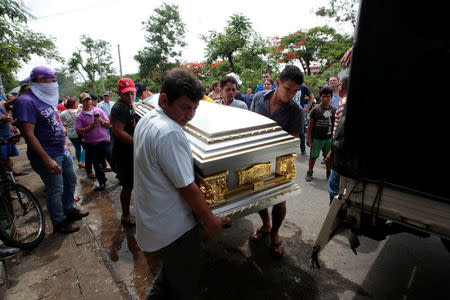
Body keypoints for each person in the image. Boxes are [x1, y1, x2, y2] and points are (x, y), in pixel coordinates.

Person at [134, 69, 229, 299]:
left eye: (195, 109)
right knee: (183, 286)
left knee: (168, 278)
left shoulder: (147, 118)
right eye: (185, 107)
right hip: (174, 230)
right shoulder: (170, 132)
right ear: (164, 99)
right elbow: (187, 187)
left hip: (154, 219)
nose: (190, 115)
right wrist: (210, 220)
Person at [15, 66, 88, 234]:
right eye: (53, 81)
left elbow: (54, 121)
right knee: (56, 189)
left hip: (60, 151)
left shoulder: (44, 98)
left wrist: (64, 144)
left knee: (70, 181)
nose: (55, 84)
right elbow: (29, 134)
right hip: (47, 154)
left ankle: (69, 210)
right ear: (40, 80)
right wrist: (46, 159)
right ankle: (60, 222)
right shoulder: (26, 101)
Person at [250, 65, 304, 257]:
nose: (291, 94)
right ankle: (265, 225)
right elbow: (250, 125)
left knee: (279, 201)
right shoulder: (258, 98)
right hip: (256, 159)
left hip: (281, 160)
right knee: (258, 196)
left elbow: (294, 140)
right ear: (278, 83)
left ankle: (274, 233)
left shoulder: (296, 110)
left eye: (295, 91)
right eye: (288, 88)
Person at [111, 78, 139, 226]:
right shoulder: (119, 108)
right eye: (126, 94)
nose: (130, 97)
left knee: (132, 183)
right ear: (119, 93)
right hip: (124, 154)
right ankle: (126, 216)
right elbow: (117, 131)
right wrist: (137, 142)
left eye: (132, 93)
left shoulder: (129, 105)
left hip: (130, 152)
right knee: (127, 186)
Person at [75, 92, 113, 191]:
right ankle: (102, 182)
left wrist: (101, 121)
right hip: (91, 144)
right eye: (85, 100)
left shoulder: (99, 111)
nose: (87, 102)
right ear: (81, 102)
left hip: (104, 141)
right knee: (96, 165)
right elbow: (79, 131)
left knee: (113, 160)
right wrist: (91, 126)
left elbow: (109, 125)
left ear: (91, 100)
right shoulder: (79, 116)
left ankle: (121, 177)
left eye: (89, 100)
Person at [305, 86, 336, 182]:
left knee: (328, 158)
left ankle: (328, 172)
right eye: (324, 96)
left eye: (328, 96)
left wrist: (334, 139)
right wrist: (308, 138)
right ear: (320, 97)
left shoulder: (334, 110)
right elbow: (310, 125)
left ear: (331, 97)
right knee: (313, 156)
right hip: (317, 139)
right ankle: (310, 171)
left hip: (328, 139)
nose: (326, 98)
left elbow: (335, 125)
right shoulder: (316, 110)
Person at [327, 76, 348, 204]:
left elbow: (340, 132)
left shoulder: (343, 102)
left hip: (340, 151)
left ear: (343, 86)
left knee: (334, 186)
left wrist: (332, 151)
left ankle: (334, 213)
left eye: (339, 84)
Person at [0, 100, 28, 176]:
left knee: (6, 155)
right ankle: (6, 176)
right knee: (2, 156)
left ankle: (11, 172)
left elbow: (6, 115)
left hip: (6, 131)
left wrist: (11, 126)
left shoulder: (1, 102)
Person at [60, 98, 85, 169]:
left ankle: (80, 163)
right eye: (76, 103)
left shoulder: (63, 113)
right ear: (73, 104)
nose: (77, 104)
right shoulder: (79, 111)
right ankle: (82, 161)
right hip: (80, 132)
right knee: (85, 147)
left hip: (71, 134)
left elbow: (62, 123)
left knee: (77, 149)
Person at [292, 84, 315, 155]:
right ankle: (290, 150)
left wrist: (307, 108)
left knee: (301, 132)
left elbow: (312, 97)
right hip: (289, 112)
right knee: (290, 132)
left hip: (299, 113)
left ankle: (303, 150)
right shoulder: (290, 85)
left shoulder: (303, 87)